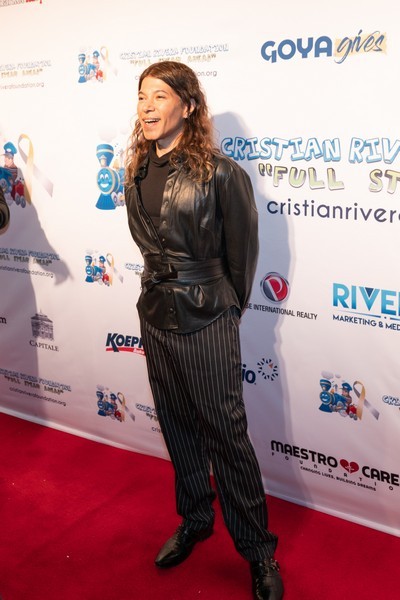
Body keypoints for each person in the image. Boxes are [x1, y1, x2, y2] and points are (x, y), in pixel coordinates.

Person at [124, 61, 284, 600]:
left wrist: (226, 309)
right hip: (155, 316)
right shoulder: (137, 170)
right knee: (176, 425)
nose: (147, 106)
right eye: (142, 96)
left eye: (160, 95)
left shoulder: (221, 173)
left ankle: (259, 552)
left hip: (208, 315)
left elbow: (243, 256)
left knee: (226, 436)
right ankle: (195, 519)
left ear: (188, 106)